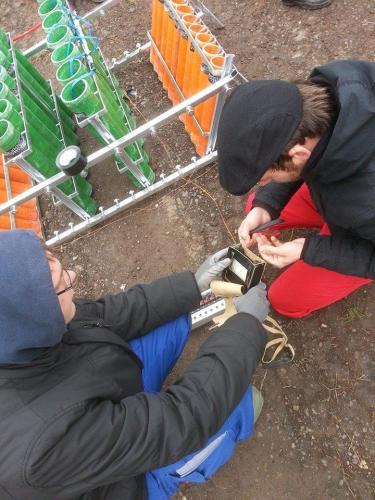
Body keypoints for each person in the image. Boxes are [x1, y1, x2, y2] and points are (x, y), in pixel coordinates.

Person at [0, 229, 269, 500]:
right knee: (237, 404)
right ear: (31, 321)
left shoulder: (19, 329)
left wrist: (193, 286)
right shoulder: (45, 448)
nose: (72, 277)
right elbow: (183, 419)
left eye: (60, 272)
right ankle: (182, 465)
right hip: (121, 485)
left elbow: (104, 314)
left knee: (172, 313)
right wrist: (247, 326)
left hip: (92, 400)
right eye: (60, 285)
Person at [217, 59, 375, 318]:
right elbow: (306, 157)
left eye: (267, 176)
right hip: (343, 194)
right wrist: (265, 205)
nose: (264, 182)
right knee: (258, 210)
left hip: (362, 219)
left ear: (299, 154)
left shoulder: (367, 194)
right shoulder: (329, 94)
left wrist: (310, 249)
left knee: (284, 300)